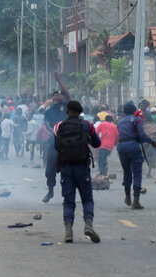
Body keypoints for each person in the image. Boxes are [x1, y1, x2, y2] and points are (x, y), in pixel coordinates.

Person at [54, 100, 102, 243]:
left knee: (68, 201)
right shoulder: (87, 125)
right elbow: (97, 143)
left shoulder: (59, 126)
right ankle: (88, 225)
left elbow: (56, 145)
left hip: (66, 167)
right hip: (82, 167)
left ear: (67, 111)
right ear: (81, 112)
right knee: (87, 199)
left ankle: (68, 232)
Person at [117, 101, 156, 209]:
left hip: (121, 147)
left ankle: (127, 197)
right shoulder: (137, 119)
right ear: (135, 110)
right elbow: (141, 135)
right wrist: (152, 142)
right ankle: (136, 201)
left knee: (126, 172)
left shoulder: (120, 122)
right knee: (137, 173)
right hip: (133, 147)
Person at [42, 72, 71, 203]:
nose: (57, 96)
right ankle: (50, 190)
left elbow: (68, 93)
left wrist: (59, 80)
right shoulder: (48, 111)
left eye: (60, 95)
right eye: (55, 95)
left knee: (69, 169)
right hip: (54, 140)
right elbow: (46, 124)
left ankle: (67, 194)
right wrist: (53, 132)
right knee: (49, 169)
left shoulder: (67, 107)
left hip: (68, 140)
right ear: (52, 98)